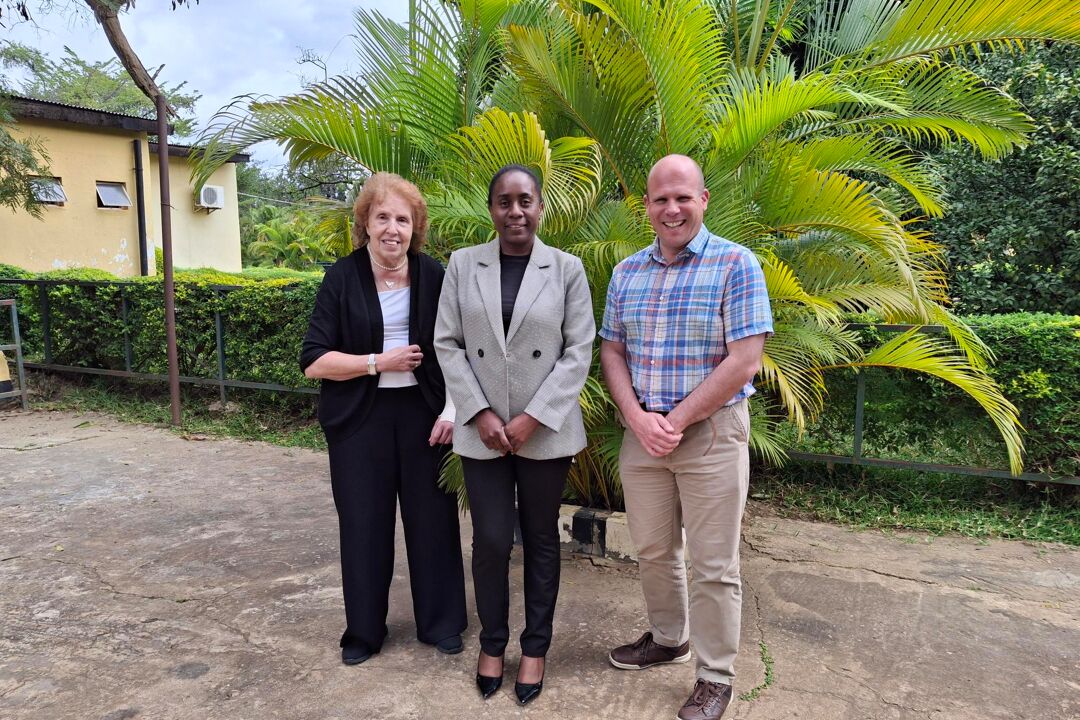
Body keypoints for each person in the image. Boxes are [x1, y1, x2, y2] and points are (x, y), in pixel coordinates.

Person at [599, 155, 773, 720]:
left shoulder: (736, 264)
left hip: (711, 435)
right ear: (646, 206)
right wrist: (636, 416)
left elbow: (744, 361)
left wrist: (675, 420)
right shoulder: (626, 273)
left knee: (713, 564)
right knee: (651, 549)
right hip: (643, 435)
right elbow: (612, 351)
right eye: (659, 199)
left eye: (682, 197)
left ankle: (715, 676)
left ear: (702, 200)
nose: (670, 209)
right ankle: (668, 638)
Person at [435, 164, 595, 705]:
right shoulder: (462, 265)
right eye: (504, 201)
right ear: (491, 209)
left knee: (542, 539)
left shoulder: (566, 269)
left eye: (525, 200)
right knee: (492, 541)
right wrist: (477, 412)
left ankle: (534, 649)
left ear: (541, 206)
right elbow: (447, 343)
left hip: (543, 432)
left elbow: (579, 351)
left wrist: (534, 416)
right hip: (483, 430)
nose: (515, 212)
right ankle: (493, 642)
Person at [300, 172, 467, 666]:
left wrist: (454, 411)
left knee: (433, 522)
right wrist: (379, 361)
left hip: (425, 416)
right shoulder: (342, 277)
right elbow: (314, 360)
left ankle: (441, 623)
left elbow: (459, 350)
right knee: (363, 525)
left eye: (403, 219)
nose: (393, 228)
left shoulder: (434, 275)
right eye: (382, 218)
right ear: (365, 224)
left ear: (416, 227)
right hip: (359, 420)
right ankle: (364, 632)